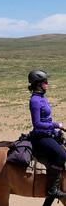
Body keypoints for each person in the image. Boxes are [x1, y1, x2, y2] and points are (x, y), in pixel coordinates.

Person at [28, 70, 66, 198]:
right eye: (45, 81)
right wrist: (56, 125)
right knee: (61, 155)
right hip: (40, 136)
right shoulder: (35, 100)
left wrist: (55, 130)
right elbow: (37, 124)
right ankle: (52, 189)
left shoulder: (42, 97)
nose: (47, 84)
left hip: (49, 133)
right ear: (38, 84)